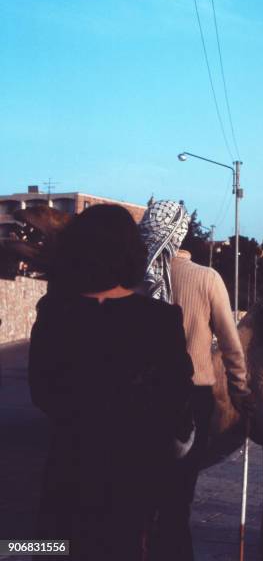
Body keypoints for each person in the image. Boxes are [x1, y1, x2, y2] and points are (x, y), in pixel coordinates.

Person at [29, 204, 194, 561]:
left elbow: (41, 391)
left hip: (67, 468)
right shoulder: (160, 319)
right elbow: (177, 398)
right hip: (132, 478)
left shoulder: (55, 311)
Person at [139, 200, 251, 561]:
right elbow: (231, 344)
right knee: (179, 492)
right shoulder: (206, 278)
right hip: (192, 399)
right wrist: (240, 389)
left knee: (146, 487)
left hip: (143, 397)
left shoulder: (137, 279)